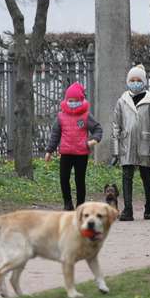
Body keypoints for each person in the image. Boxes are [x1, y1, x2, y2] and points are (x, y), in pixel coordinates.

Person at [110, 65, 150, 221]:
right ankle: (128, 209)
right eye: (132, 80)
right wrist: (115, 150)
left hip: (144, 144)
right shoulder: (122, 101)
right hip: (127, 144)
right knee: (127, 176)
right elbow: (115, 126)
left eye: (138, 80)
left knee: (146, 175)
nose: (135, 83)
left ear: (144, 82)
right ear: (128, 81)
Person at [45, 82, 103, 210]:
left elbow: (98, 129)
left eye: (76, 100)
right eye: (70, 100)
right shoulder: (61, 117)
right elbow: (55, 134)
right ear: (66, 100)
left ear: (81, 100)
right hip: (66, 153)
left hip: (81, 154)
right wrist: (49, 150)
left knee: (79, 180)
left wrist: (94, 140)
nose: (73, 103)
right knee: (64, 178)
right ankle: (67, 203)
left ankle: (80, 205)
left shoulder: (86, 116)